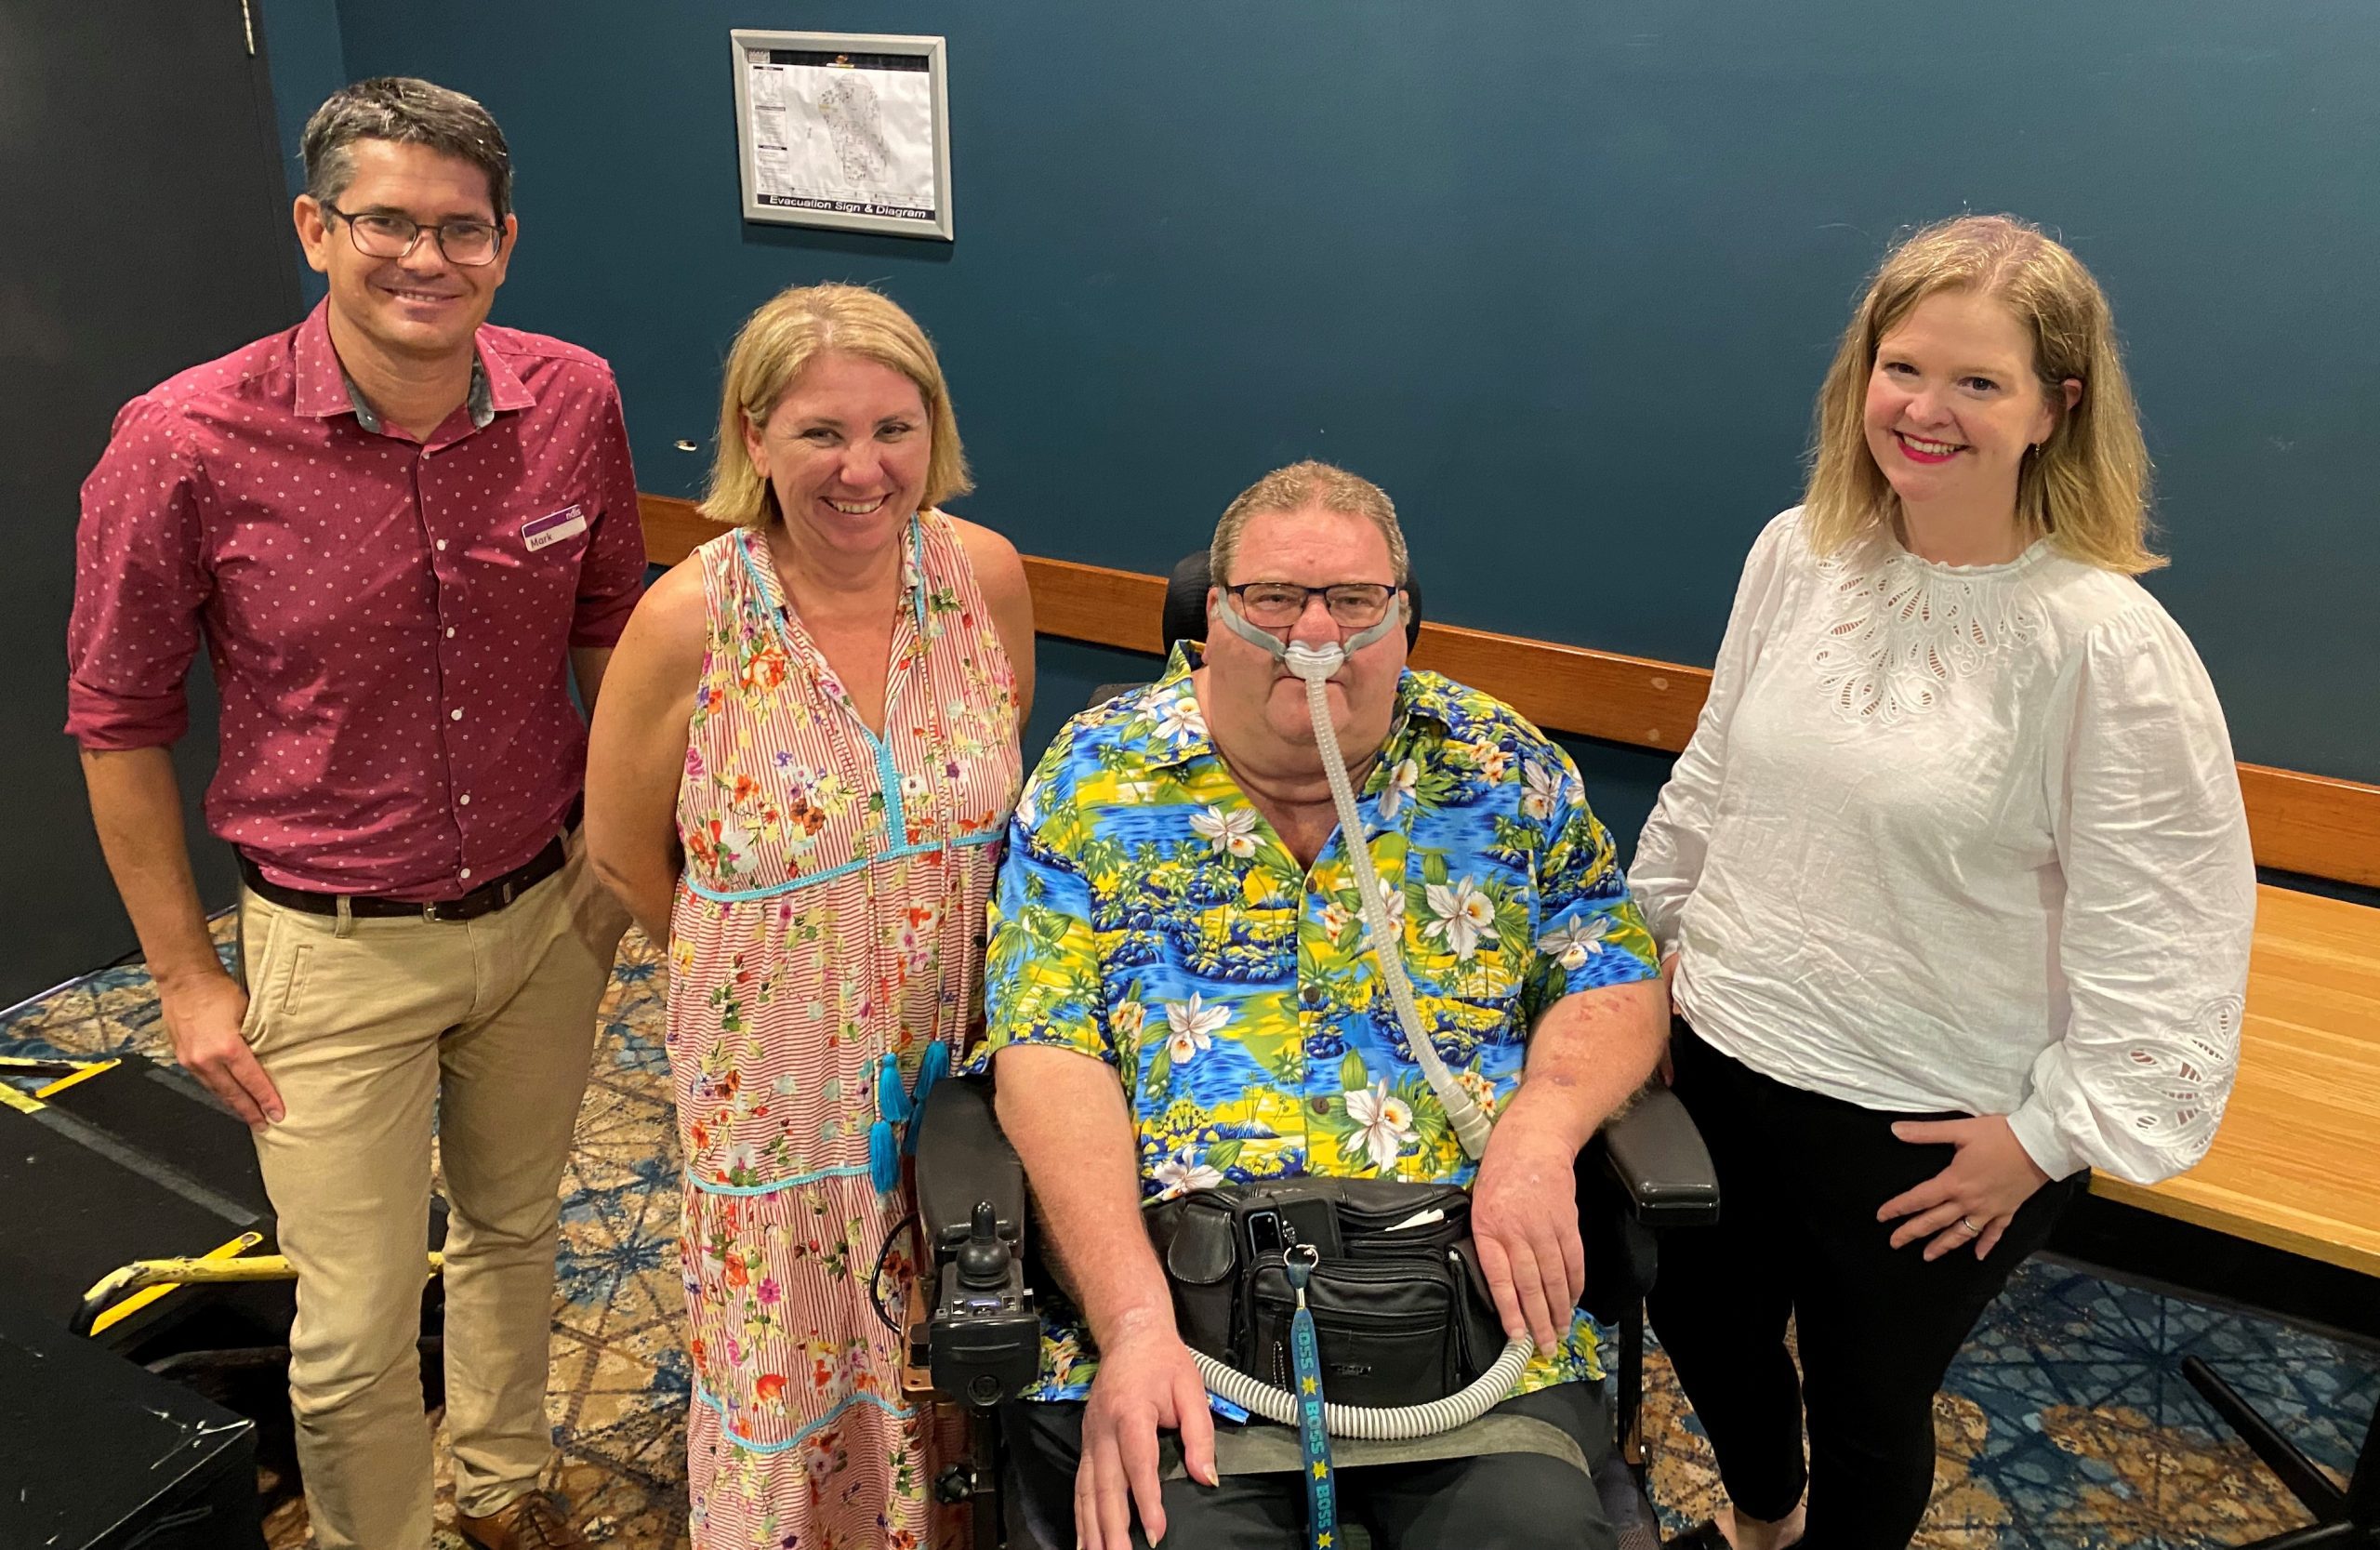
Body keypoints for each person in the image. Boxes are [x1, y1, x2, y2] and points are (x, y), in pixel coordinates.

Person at [66, 77, 645, 1550]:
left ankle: (508, 1486)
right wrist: (189, 981)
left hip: (547, 913)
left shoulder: (572, 396)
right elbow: (118, 724)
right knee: (353, 1319)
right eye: (387, 221)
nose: (425, 259)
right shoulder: (183, 439)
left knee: (519, 1233)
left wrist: (648, 862)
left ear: (506, 241)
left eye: (462, 228)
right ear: (317, 226)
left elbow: (615, 641)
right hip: (329, 948)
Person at [1631, 215, 2256, 1550]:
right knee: (1710, 1330)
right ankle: (1760, 1521)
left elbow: (2172, 928)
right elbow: (1715, 776)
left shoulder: (2106, 644)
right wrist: (1651, 956)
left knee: (1870, 1403)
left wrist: (2043, 1139)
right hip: (1725, 1048)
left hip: (1932, 1125)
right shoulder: (1795, 553)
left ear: (2055, 407)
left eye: (1980, 381)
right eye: (1903, 367)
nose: (1926, 410)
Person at [974, 460, 1669, 1550]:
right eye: (1272, 598)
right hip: (1182, 1317)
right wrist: (1132, 1319)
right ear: (1213, 615)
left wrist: (1538, 1133)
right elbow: (1045, 1048)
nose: (1316, 630)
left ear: (1403, 619)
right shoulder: (1096, 779)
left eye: (1353, 601)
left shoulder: (1498, 768)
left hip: (1468, 1324)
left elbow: (1610, 968)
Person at [584, 282, 1033, 1549]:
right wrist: (761, 990)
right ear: (755, 436)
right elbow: (622, 854)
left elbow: (992, 798)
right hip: (774, 1075)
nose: (860, 467)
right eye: (820, 431)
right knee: (795, 1339)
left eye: (894, 428)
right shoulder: (691, 616)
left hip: (957, 1039)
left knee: (965, 1301)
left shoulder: (983, 578)